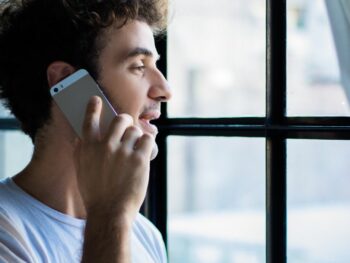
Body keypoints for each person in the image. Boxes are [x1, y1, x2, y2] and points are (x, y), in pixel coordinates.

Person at [0, 0, 172, 262]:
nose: (165, 90)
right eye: (139, 66)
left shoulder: (145, 235)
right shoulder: (7, 234)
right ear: (65, 82)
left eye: (155, 65)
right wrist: (109, 213)